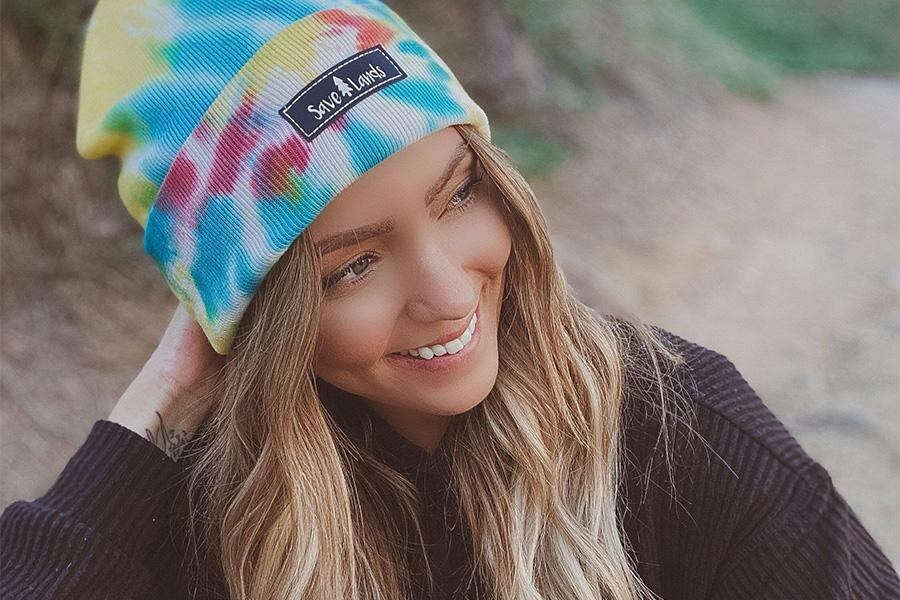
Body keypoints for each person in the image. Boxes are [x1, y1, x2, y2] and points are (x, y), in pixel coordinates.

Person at [1, 1, 898, 599]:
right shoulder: (201, 524)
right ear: (259, 318)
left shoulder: (678, 430)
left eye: (457, 193)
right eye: (351, 266)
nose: (445, 290)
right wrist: (152, 412)